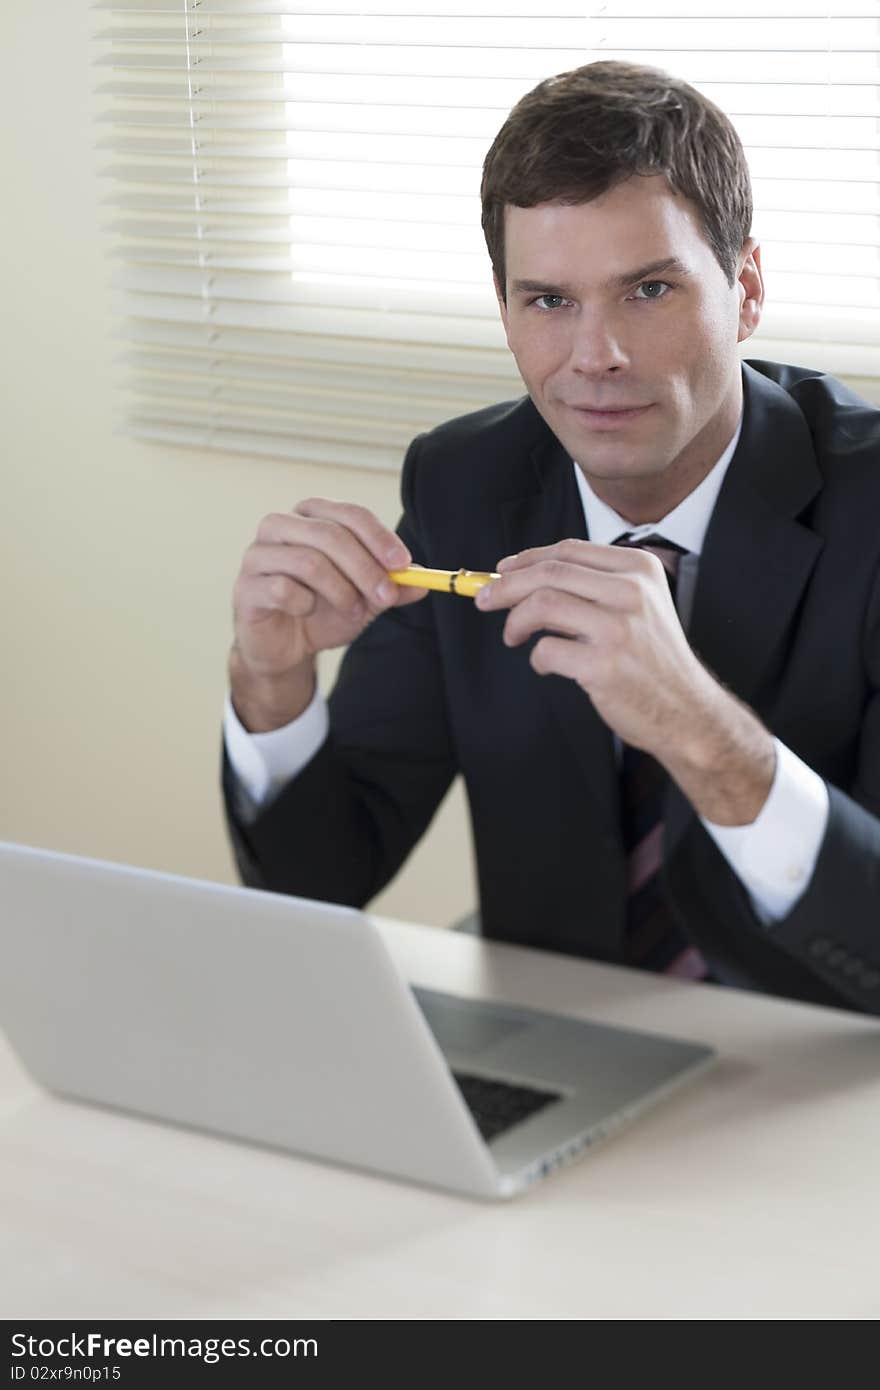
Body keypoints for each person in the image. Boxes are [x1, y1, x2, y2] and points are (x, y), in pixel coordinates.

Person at [222, 62, 880, 1015]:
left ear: (745, 289)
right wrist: (272, 684)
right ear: (504, 310)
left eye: (648, 291)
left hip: (829, 1072)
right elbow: (322, 879)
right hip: (559, 1050)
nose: (594, 357)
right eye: (549, 301)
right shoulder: (464, 486)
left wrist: (701, 732)